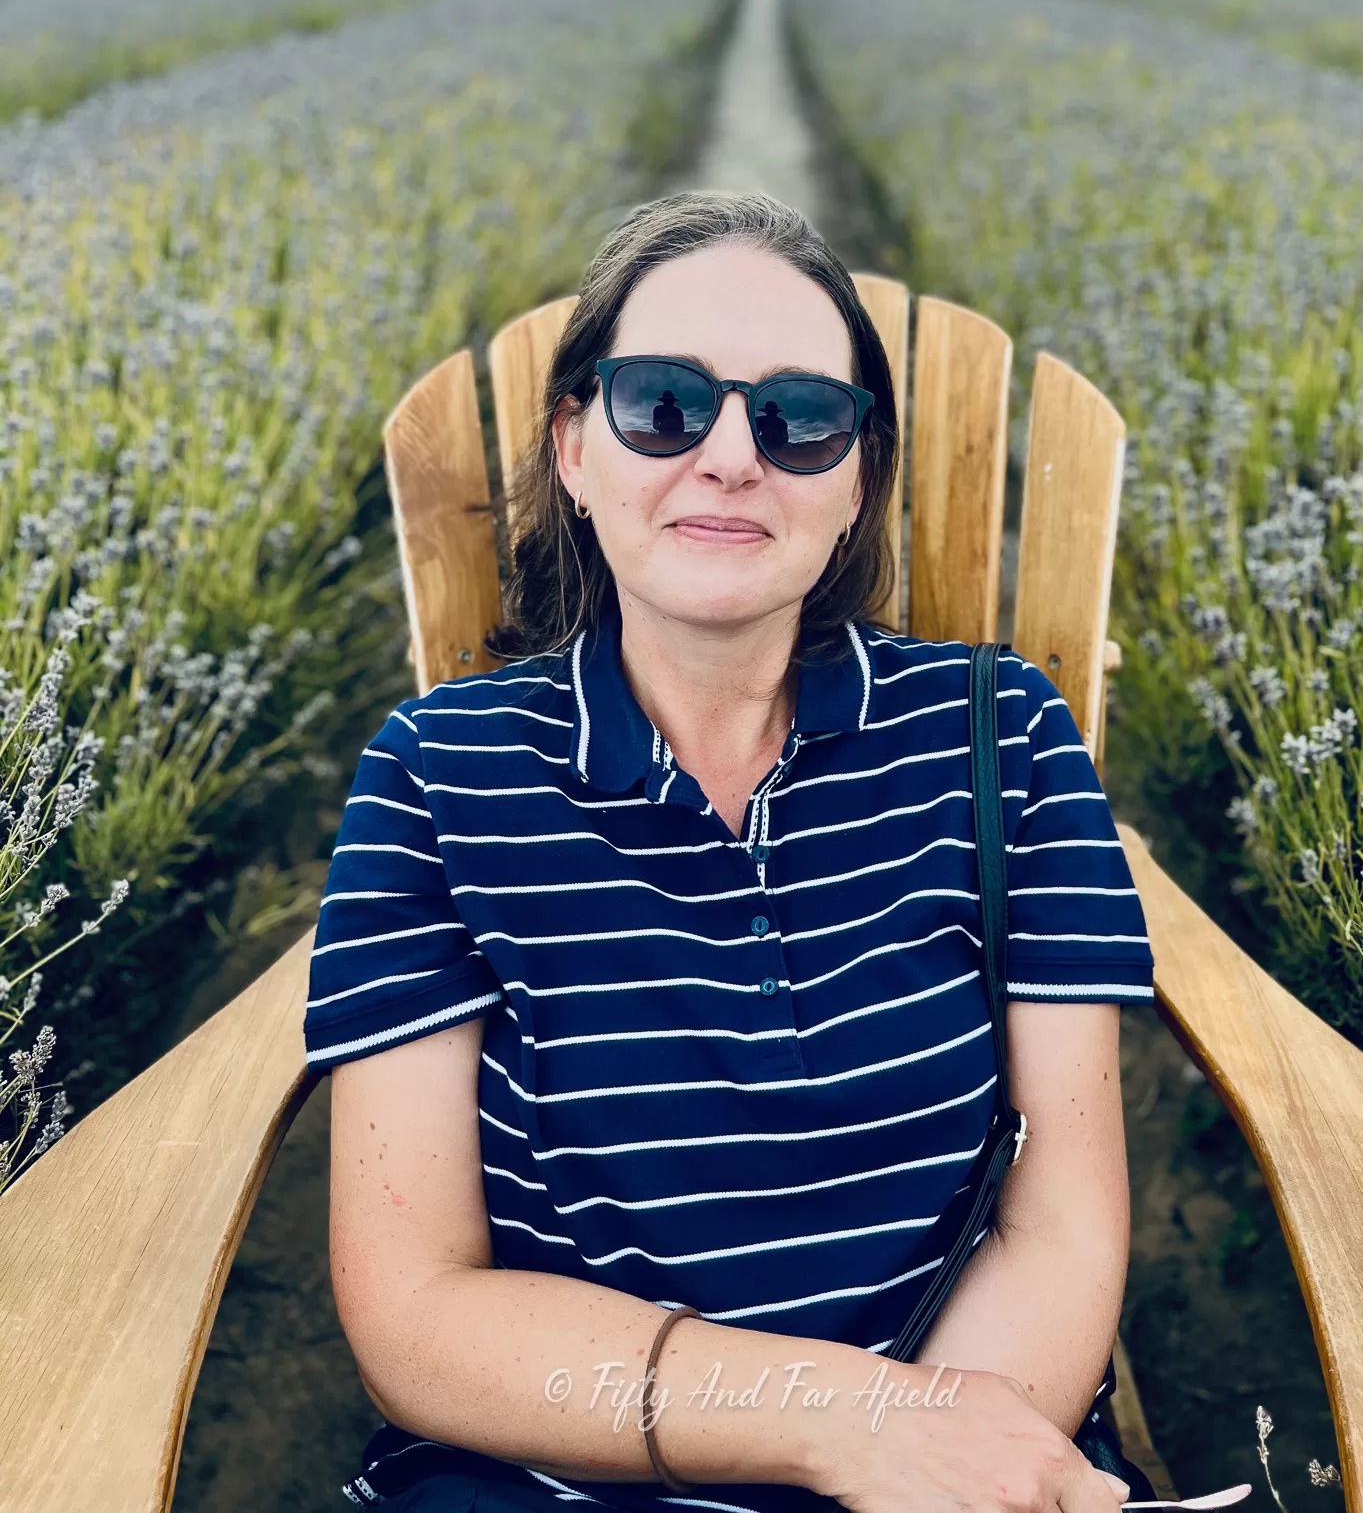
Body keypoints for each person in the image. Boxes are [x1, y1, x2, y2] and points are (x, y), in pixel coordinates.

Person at [306, 192, 1155, 1513]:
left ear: (857, 477)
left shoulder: (1001, 737)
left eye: (802, 418)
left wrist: (925, 1462)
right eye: (663, 404)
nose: (731, 457)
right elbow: (418, 1312)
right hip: (559, 1479)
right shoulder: (440, 772)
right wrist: (843, 1426)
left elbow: (1062, 1218)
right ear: (575, 449)